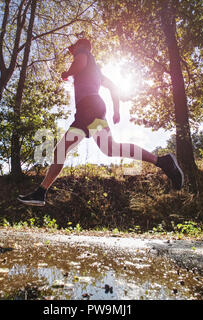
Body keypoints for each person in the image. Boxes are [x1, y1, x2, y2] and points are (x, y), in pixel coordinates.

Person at [18, 38, 184, 206]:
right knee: (106, 148)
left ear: (80, 47)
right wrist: (116, 110)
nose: (73, 52)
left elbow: (80, 62)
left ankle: (41, 193)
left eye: (74, 49)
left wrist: (68, 73)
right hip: (91, 110)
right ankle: (162, 161)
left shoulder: (83, 54)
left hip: (88, 109)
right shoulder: (96, 69)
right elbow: (113, 87)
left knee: (65, 150)